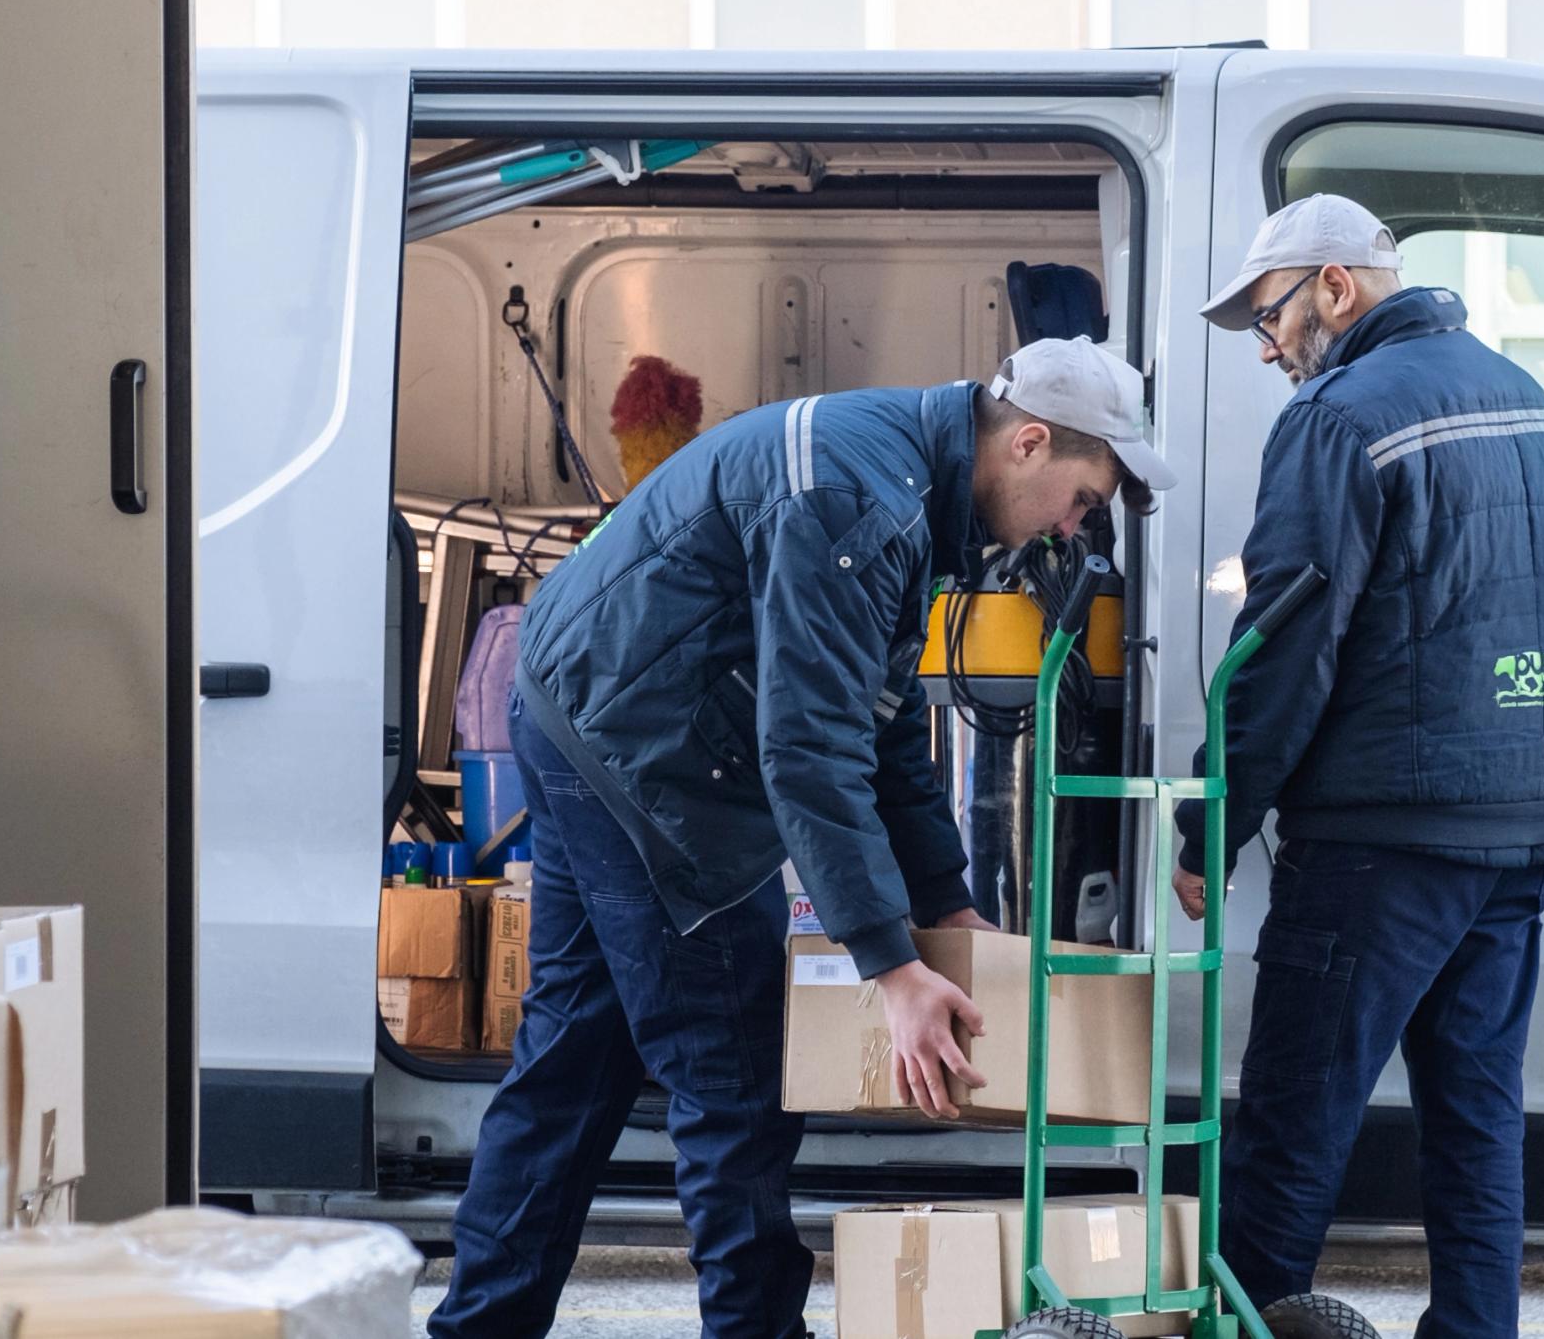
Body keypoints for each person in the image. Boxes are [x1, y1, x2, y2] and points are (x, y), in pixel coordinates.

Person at [429, 338, 1179, 1339]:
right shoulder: (862, 500)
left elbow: (883, 722)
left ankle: (480, 1328)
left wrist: (943, 902)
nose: (1074, 530)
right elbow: (811, 747)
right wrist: (892, 965)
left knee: (578, 1052)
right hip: (647, 747)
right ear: (1031, 443)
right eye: (1084, 500)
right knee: (732, 1068)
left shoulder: (903, 474)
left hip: (584, 705)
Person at [1176, 194, 1544, 1339]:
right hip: (1521, 829)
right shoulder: (1529, 399)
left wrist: (1212, 814)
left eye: (1268, 319)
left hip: (1384, 836)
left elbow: (1285, 645)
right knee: (1476, 1122)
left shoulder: (1341, 417)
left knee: (1297, 1121)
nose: (1267, 350)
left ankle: (1243, 1329)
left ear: (1336, 290)